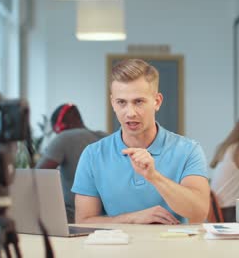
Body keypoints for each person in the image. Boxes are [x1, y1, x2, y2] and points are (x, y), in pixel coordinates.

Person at [72, 59, 210, 224]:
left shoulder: (189, 150)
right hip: (116, 248)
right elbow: (83, 221)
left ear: (157, 102)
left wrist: (154, 177)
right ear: (113, 104)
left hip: (174, 248)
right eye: (121, 102)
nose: (130, 113)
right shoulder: (93, 154)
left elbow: (199, 212)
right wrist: (134, 218)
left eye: (139, 102)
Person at [36, 103, 106, 223]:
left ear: (62, 125)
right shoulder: (106, 138)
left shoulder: (65, 138)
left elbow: (37, 176)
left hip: (71, 217)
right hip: (104, 219)